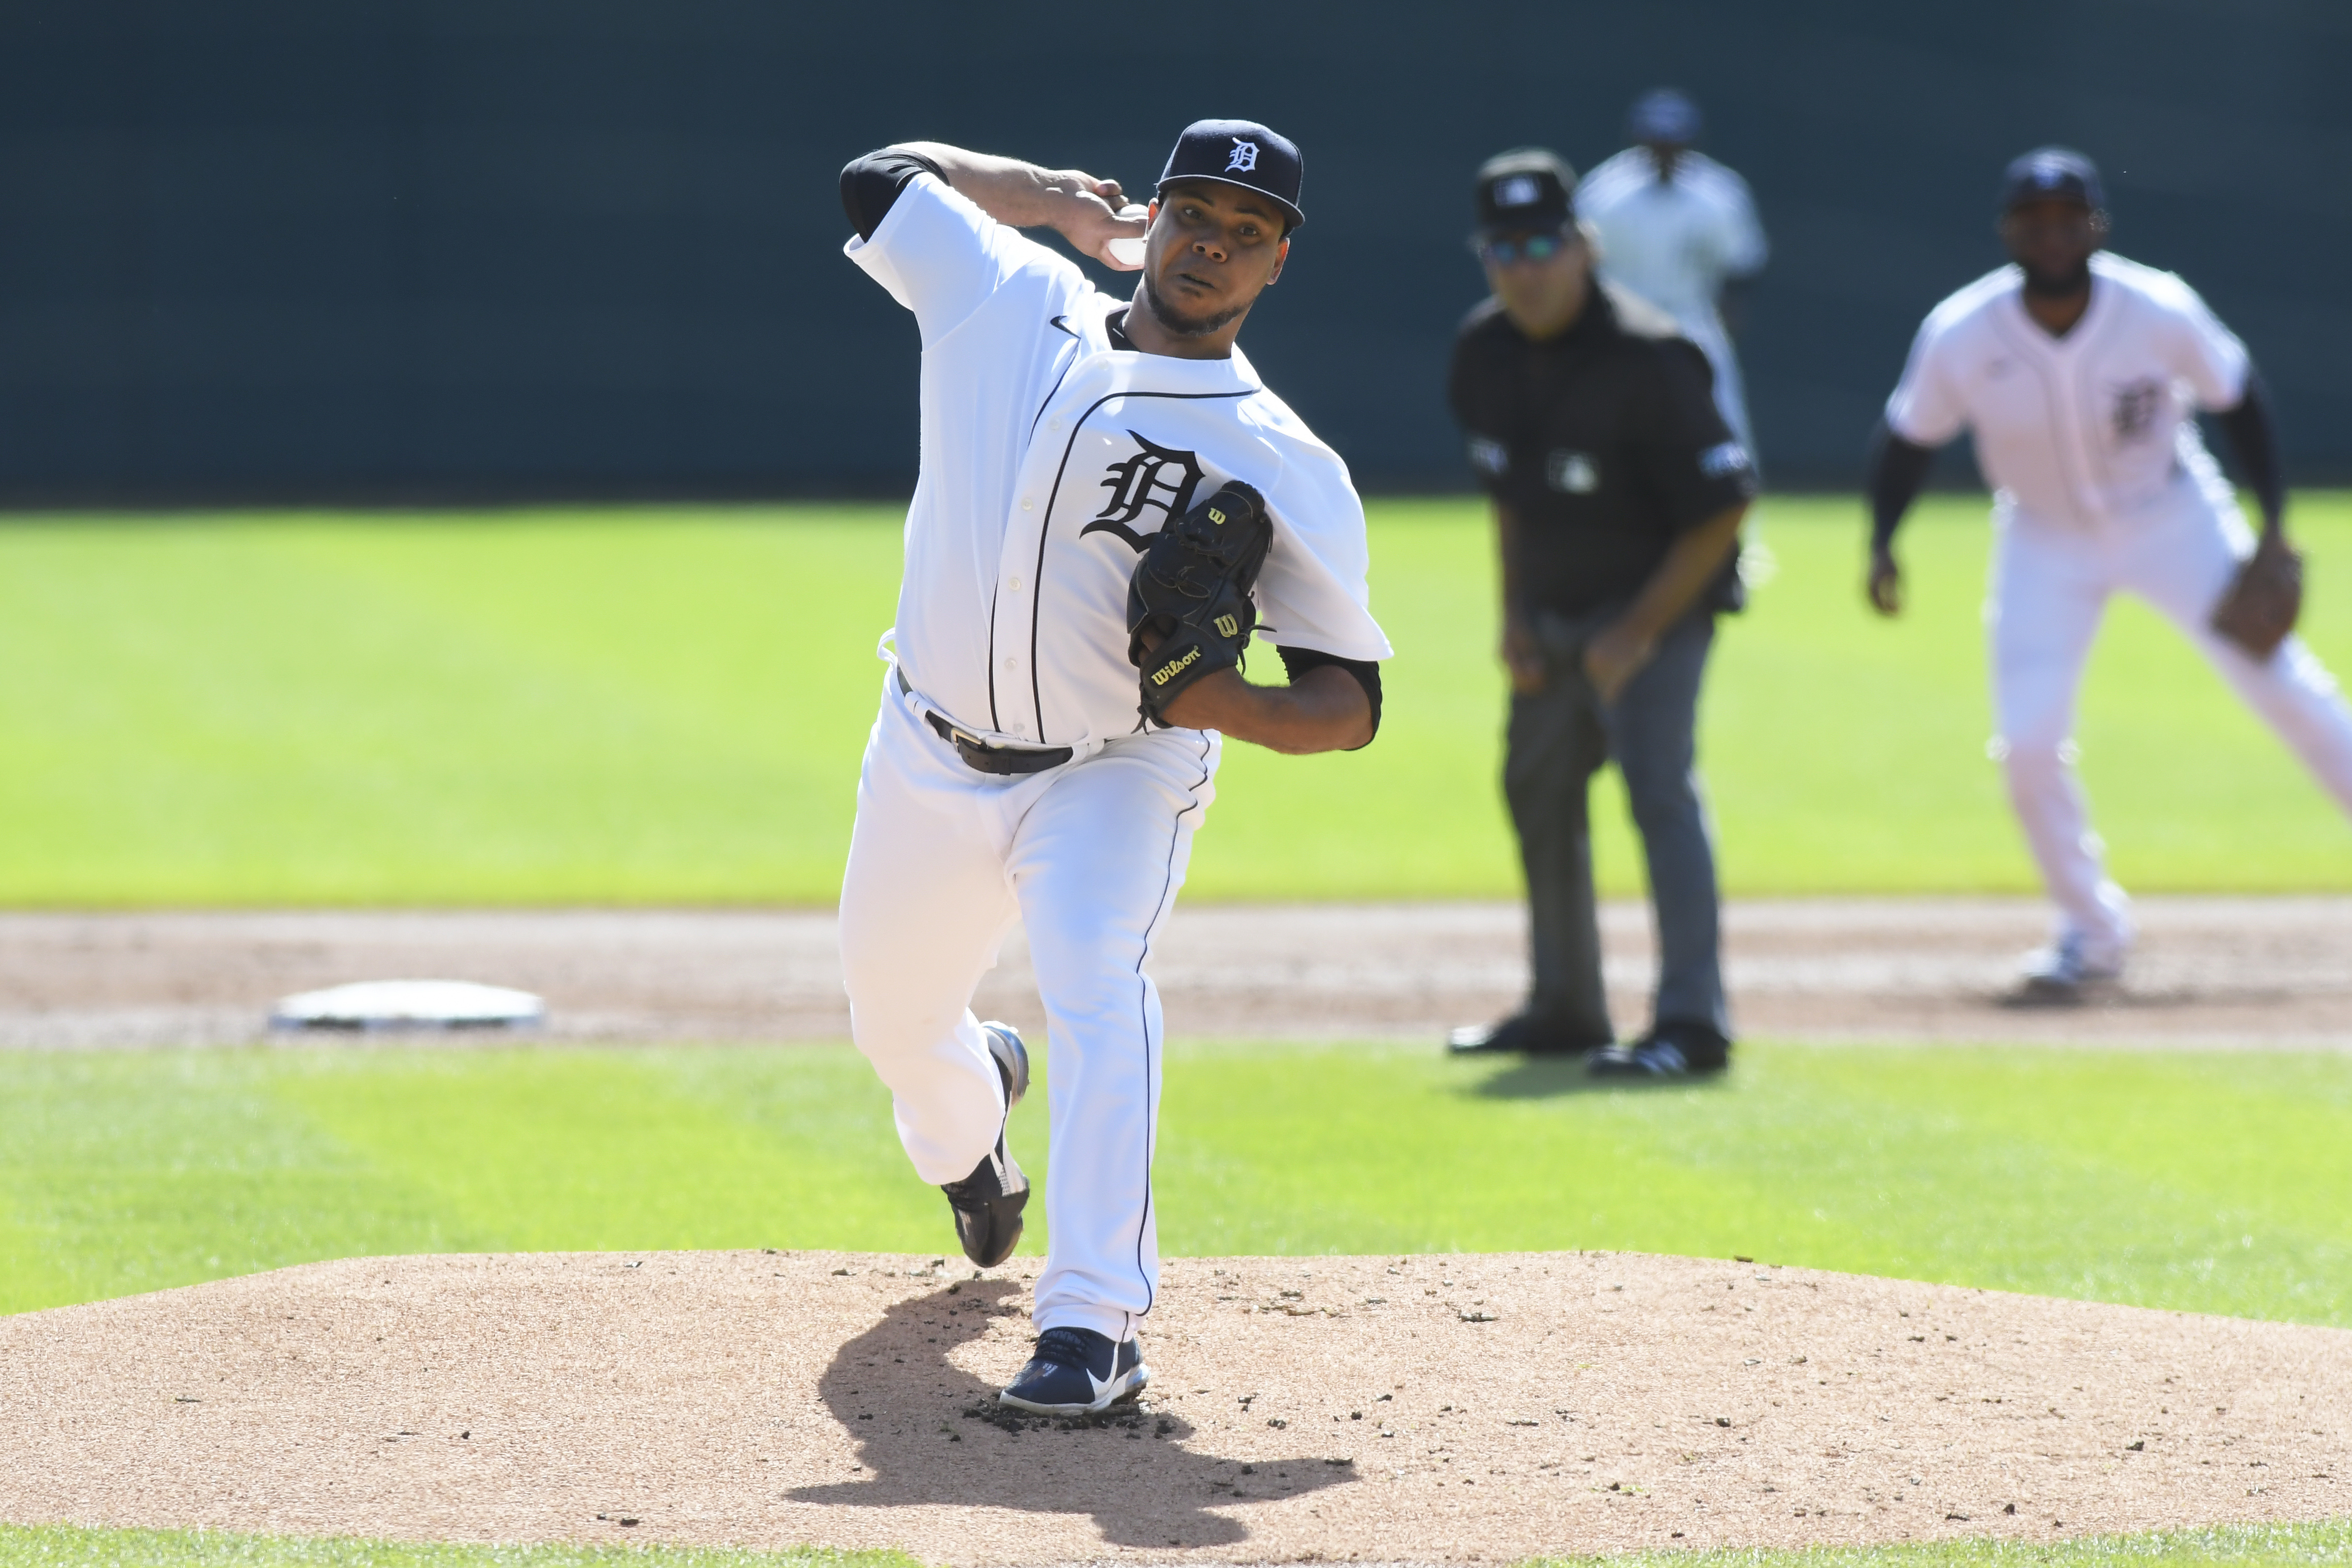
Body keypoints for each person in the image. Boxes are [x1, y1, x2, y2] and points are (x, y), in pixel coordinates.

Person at [833, 122, 1390, 1415]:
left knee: (1096, 969)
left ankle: (1094, 1322)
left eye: (1246, 233)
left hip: (1113, 766)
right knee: (897, 1027)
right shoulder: (1009, 291)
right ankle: (979, 1128)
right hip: (925, 744)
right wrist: (1049, 204)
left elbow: (1348, 703)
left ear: (1278, 262)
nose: (1211, 245)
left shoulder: (1277, 453)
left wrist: (1223, 702)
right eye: (1195, 213)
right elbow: (878, 181)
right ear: (1157, 214)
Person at [1866, 147, 2352, 999]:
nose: (2052, 235)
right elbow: (1908, 439)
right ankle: (2089, 932)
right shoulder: (1964, 332)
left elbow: (2239, 399)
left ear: (2097, 225)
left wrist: (2271, 527)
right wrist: (1882, 543)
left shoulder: (2155, 307)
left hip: (2173, 519)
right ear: (2007, 232)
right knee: (2026, 741)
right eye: (2034, 220)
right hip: (2043, 538)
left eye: (2068, 218)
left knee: (2289, 690)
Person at [1443, 148, 1756, 1079]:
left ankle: (1691, 1024)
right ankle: (1566, 1006)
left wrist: (1636, 631)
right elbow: (1506, 492)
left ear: (1584, 246)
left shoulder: (1652, 353)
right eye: (1505, 248)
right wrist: (1512, 615)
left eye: (1544, 243)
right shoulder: (1484, 350)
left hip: (1656, 608)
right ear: (1485, 257)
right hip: (1552, 609)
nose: (1526, 267)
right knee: (1537, 789)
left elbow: (1721, 508)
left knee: (1659, 794)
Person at [1575, 88, 1768, 461]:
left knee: (1725, 423)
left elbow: (1743, 262)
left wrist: (1729, 314)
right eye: (1656, 141)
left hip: (1692, 319)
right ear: (1639, 140)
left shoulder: (1718, 194)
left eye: (1672, 142)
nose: (1664, 151)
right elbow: (1581, 265)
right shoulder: (1603, 194)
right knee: (1604, 421)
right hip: (1622, 321)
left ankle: (1739, 512)